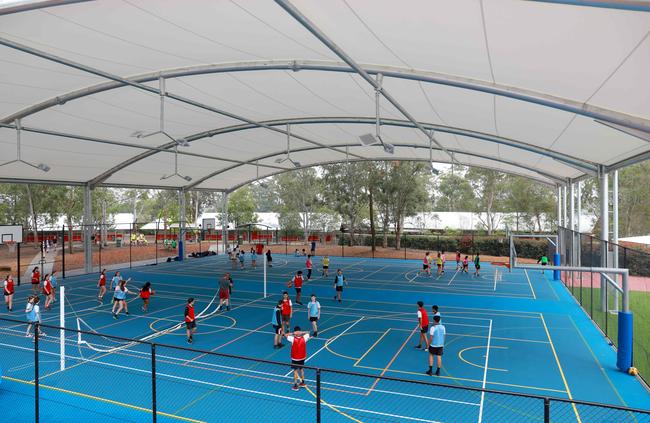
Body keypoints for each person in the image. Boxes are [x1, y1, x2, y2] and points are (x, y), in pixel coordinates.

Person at [285, 326, 311, 391]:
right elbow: (308, 332)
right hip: (302, 357)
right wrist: (301, 332)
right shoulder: (305, 337)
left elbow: (286, 335)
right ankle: (302, 382)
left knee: (295, 371)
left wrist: (293, 333)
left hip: (295, 358)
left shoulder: (292, 339)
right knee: (302, 369)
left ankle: (296, 385)